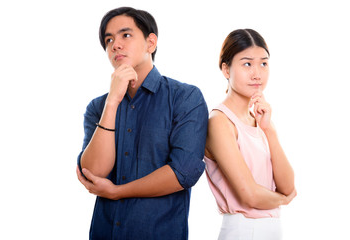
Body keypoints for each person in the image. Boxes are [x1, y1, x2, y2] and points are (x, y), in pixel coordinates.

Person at [76, 7, 208, 240]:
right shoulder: (98, 107)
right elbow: (93, 172)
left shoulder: (185, 97)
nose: (115, 44)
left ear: (151, 43)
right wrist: (112, 103)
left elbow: (184, 172)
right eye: (109, 40)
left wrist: (117, 192)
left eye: (125, 35)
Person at [204, 29, 296, 240]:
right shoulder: (220, 122)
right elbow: (250, 195)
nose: (257, 73)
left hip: (271, 229)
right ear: (226, 70)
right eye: (247, 64)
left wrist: (269, 130)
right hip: (244, 230)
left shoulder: (260, 121)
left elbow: (288, 185)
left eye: (263, 63)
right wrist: (284, 199)